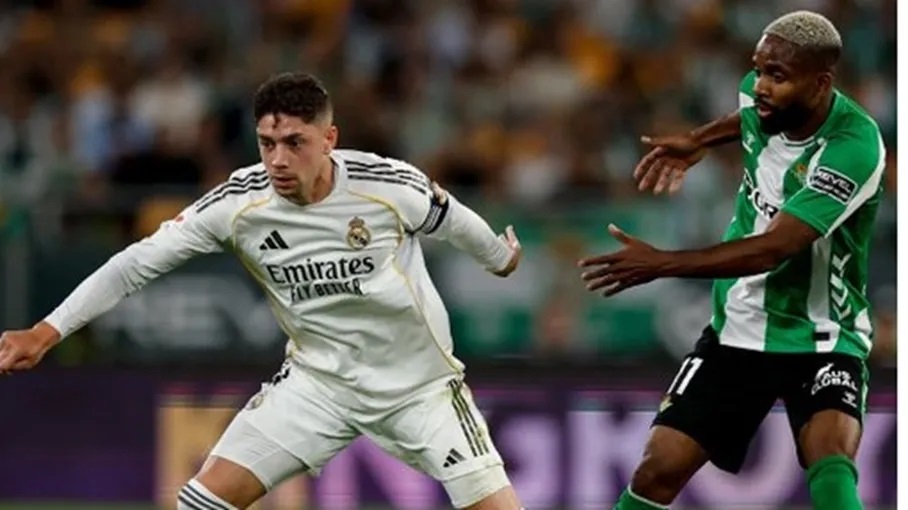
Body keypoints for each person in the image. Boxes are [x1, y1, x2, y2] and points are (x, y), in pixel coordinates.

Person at [0, 72, 526, 510]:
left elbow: (456, 222)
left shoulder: (387, 186)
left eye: (294, 143)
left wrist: (499, 259)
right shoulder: (239, 204)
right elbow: (135, 264)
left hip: (420, 390)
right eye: (267, 143)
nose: (277, 160)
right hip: (319, 386)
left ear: (329, 139)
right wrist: (47, 331)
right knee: (200, 504)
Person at [578, 11, 884, 510]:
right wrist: (699, 139)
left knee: (830, 458)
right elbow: (750, 115)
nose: (760, 85)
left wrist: (662, 263)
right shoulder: (759, 95)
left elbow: (773, 249)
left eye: (777, 76)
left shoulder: (852, 148)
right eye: (758, 69)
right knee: (658, 469)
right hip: (739, 325)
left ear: (821, 84)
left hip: (824, 333)